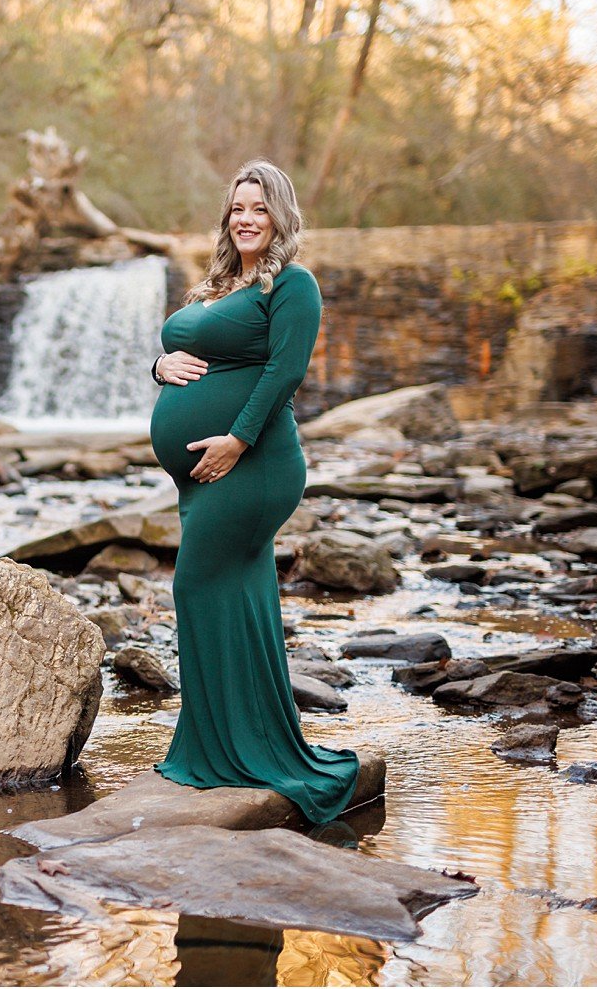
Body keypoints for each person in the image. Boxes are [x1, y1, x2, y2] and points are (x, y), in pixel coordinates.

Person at [146, 157, 360, 824]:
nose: (246, 218)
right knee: (242, 592)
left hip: (257, 463)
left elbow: (284, 371)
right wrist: (157, 364)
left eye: (259, 208)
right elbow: (179, 353)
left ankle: (220, 752)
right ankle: (245, 741)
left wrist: (236, 439)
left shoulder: (293, 284)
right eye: (238, 207)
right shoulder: (217, 283)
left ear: (280, 217)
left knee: (195, 583)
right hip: (210, 471)